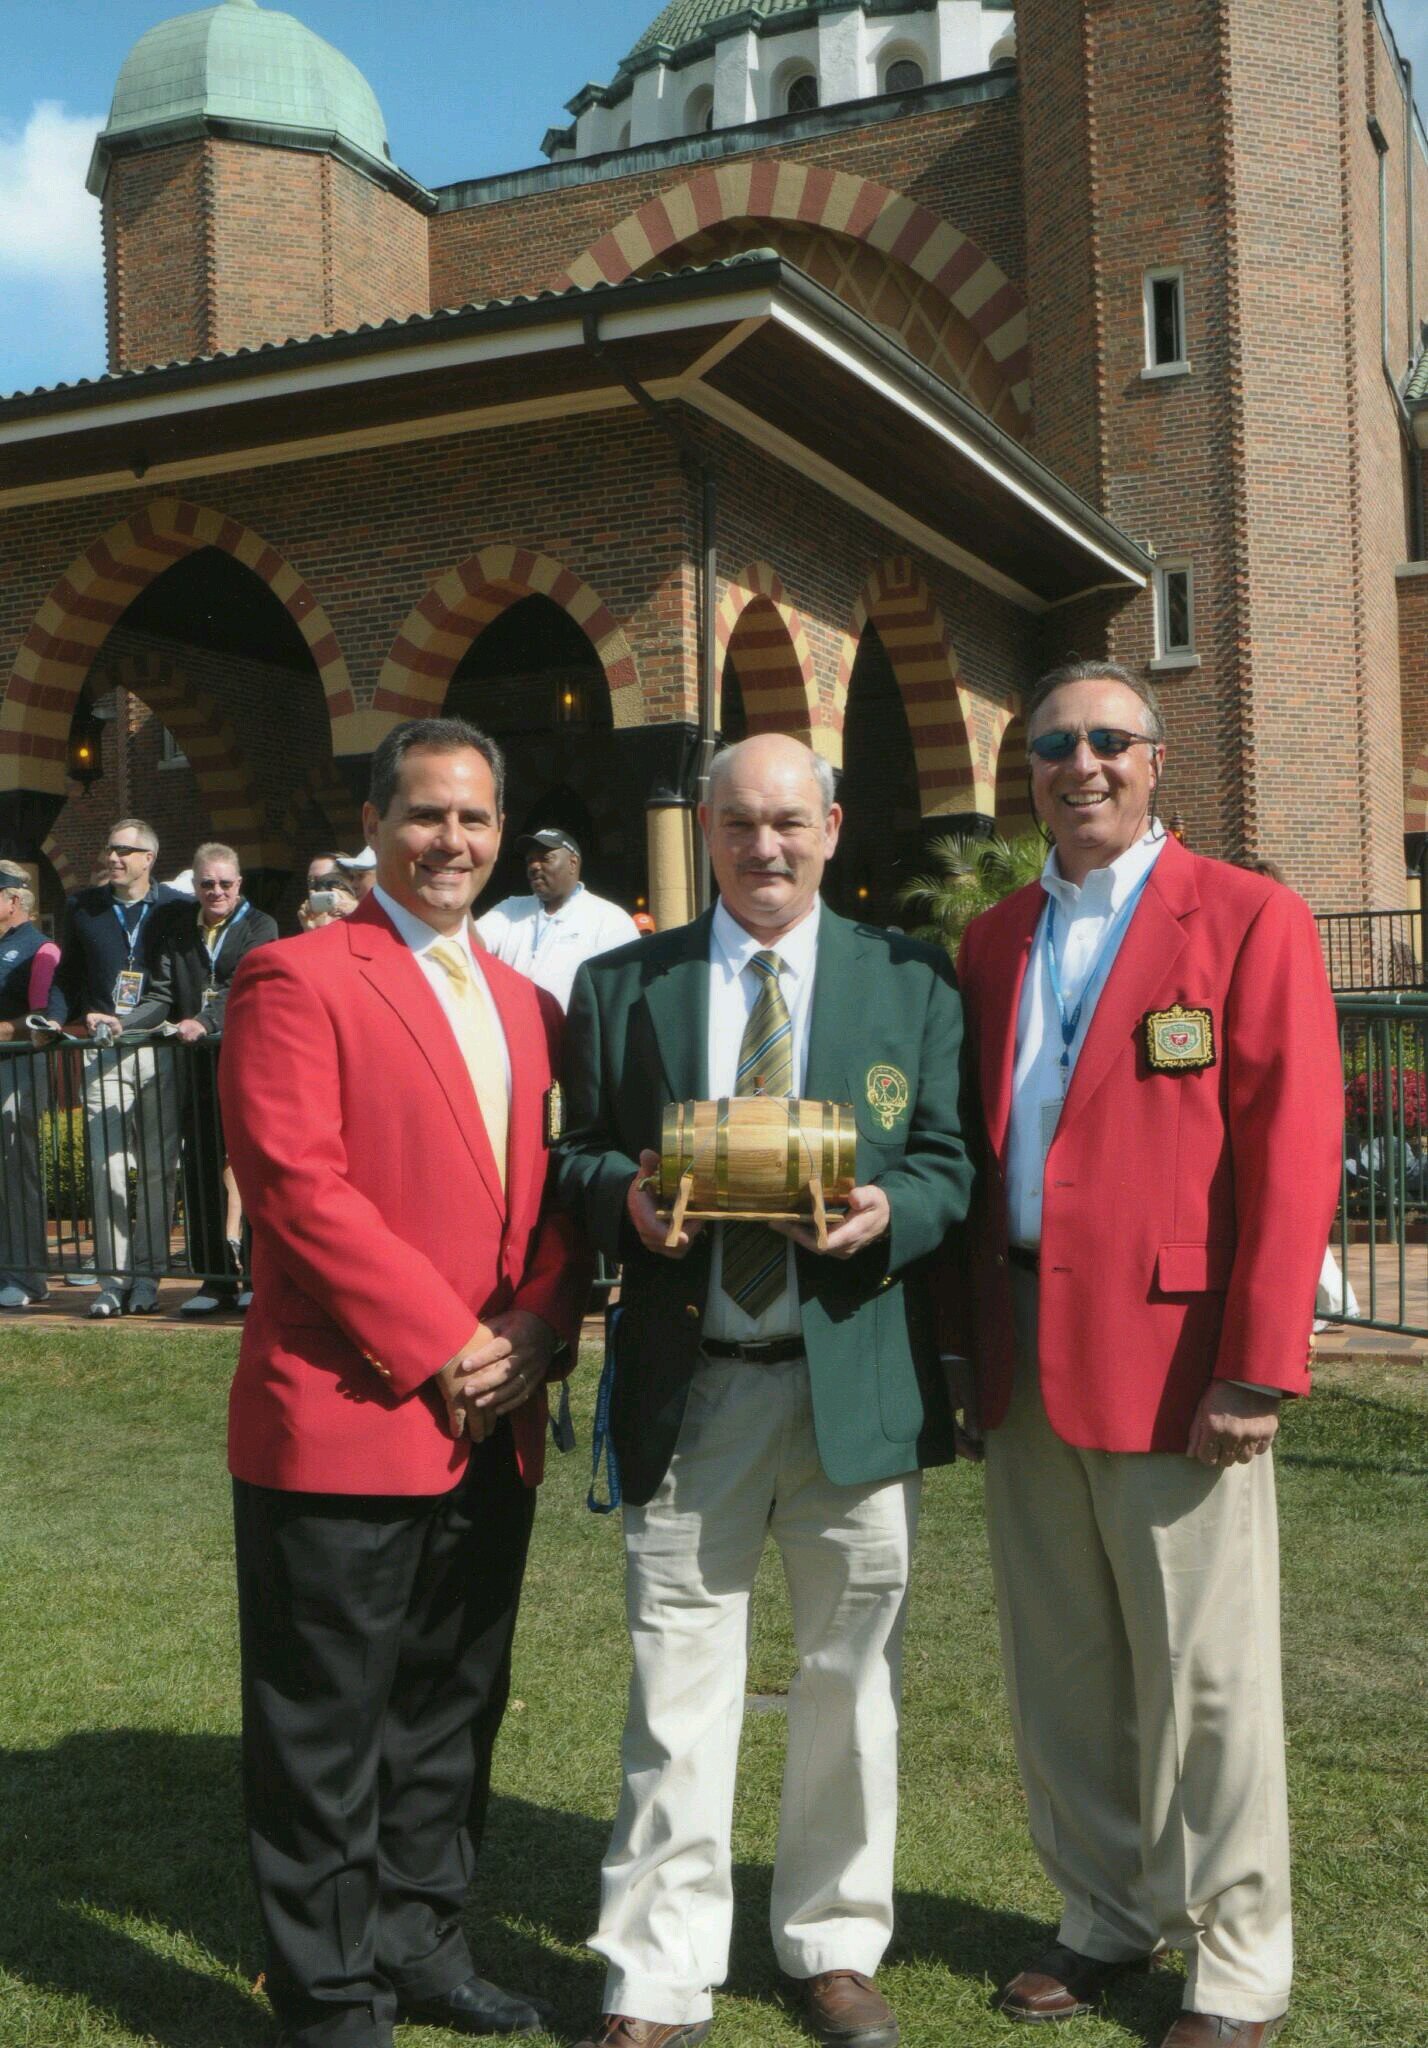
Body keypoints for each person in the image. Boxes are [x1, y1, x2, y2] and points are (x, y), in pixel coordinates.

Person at [555, 733, 972, 2048]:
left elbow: (957, 1168)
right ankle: (660, 1971)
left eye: (790, 822)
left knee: (852, 1678)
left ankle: (834, 1943)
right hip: (695, 1383)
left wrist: (887, 1214)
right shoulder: (624, 983)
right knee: (678, 1680)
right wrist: (622, 1199)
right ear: (706, 834)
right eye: (738, 824)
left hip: (851, 1383)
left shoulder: (910, 982)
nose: (766, 847)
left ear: (834, 828)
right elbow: (568, 1160)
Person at [951, 660, 1341, 2048]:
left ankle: (1237, 1960)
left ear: (1157, 758)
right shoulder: (994, 940)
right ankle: (1106, 1913)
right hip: (1020, 1345)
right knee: (1062, 1664)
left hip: (1182, 1360)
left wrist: (1260, 1363)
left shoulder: (1245, 917)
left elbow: (1293, 1155)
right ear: (1031, 770)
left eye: (1110, 739)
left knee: (1210, 1677)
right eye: (1055, 743)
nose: (1082, 764)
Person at [220, 716, 590, 2048]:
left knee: (448, 1710)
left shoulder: (534, 1006)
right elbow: (298, 1190)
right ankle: (330, 1997)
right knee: (326, 1730)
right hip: (351, 1417)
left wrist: (541, 1331)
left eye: (477, 819)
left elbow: (561, 1207)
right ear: (375, 822)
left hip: (496, 1423)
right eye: (427, 815)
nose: (453, 841)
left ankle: (425, 1947)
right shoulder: (294, 977)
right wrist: (447, 1347)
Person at [40, 818, 185, 1316]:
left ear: (149, 859)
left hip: (158, 1052)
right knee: (107, 1169)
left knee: (158, 1169)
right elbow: (68, 976)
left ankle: (148, 1276)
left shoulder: (177, 909)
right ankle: (112, 1279)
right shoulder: (84, 907)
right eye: (110, 848)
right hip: (102, 1051)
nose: (114, 857)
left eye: (126, 850)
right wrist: (56, 1021)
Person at [126, 842, 278, 1317]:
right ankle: (215, 1279)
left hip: (250, 1061)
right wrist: (121, 1022)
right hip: (198, 1066)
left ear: (239, 885)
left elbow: (245, 986)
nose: (216, 891)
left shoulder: (260, 926)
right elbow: (163, 994)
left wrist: (205, 1022)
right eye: (207, 883)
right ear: (194, 886)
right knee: (200, 1168)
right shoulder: (178, 928)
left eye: (225, 883)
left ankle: (258, 1275)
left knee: (252, 1166)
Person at [478, 828, 640, 1010]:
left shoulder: (610, 920)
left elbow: (625, 995)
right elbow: (470, 944)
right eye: (530, 860)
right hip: (514, 1033)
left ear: (572, 863)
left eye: (545, 858)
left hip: (573, 1035)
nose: (534, 866)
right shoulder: (511, 909)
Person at [0, 868, 60, 1309]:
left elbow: (41, 1015)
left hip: (17, 1071)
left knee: (18, 1173)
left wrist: (4, 1029)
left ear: (12, 899)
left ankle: (28, 1277)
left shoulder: (38, 947)